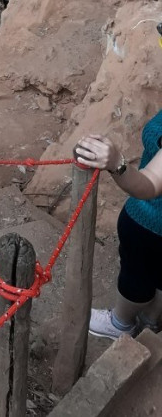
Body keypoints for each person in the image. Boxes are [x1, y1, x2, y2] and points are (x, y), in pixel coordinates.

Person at [75, 26, 162, 340]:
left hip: (150, 222)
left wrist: (118, 164)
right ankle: (152, 323)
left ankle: (121, 324)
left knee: (136, 277)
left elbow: (150, 184)